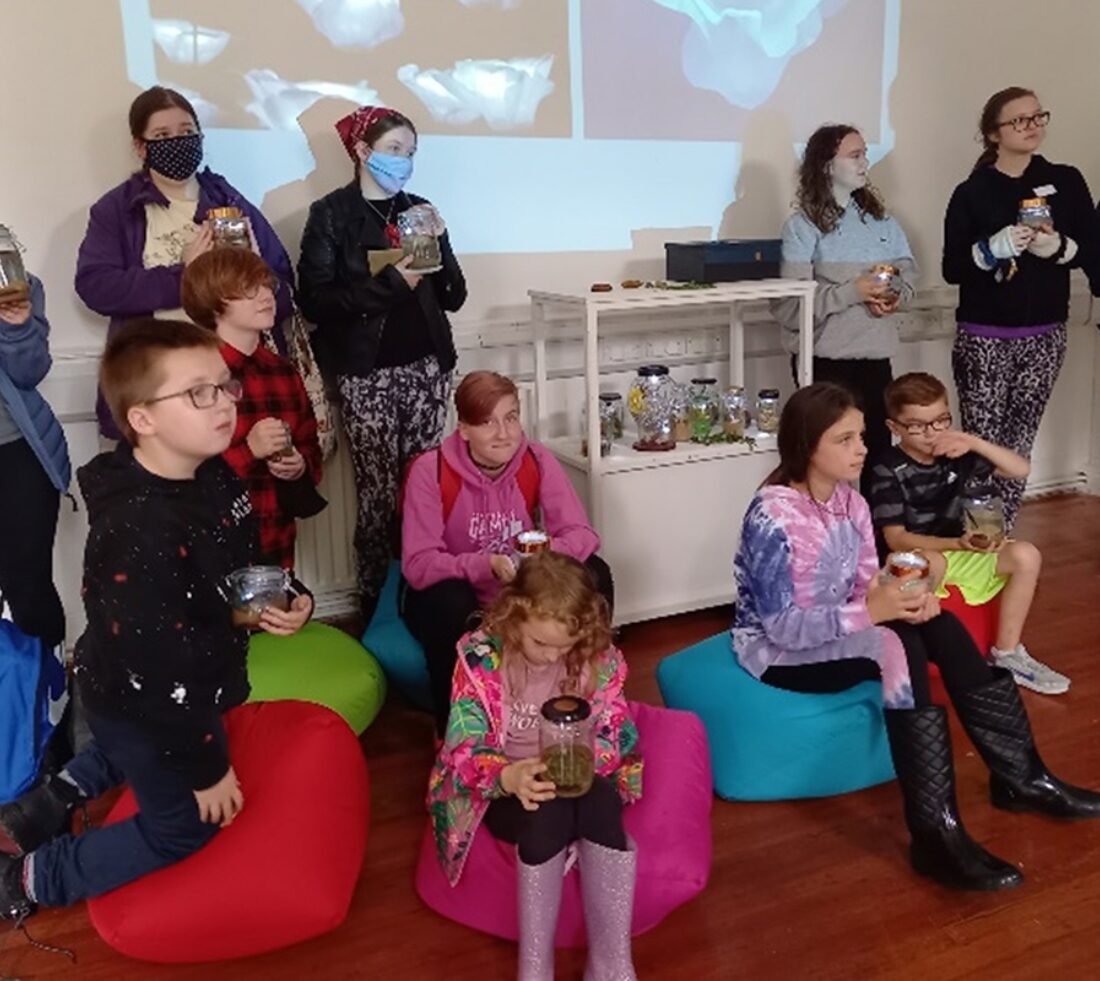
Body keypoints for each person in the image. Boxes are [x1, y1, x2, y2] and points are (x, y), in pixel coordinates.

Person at [0, 320, 312, 927]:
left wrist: (287, 591)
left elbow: (244, 560)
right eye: (199, 393)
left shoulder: (215, 473)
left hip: (184, 679)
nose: (224, 404)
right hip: (140, 694)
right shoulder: (137, 531)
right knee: (185, 824)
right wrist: (209, 771)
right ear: (142, 419)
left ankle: (47, 800)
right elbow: (160, 679)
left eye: (224, 387)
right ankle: (33, 876)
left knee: (132, 749)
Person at [731, 382, 1100, 892]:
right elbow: (781, 626)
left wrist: (908, 596)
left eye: (861, 436)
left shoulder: (851, 505)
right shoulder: (771, 515)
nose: (861, 449)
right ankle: (934, 834)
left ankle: (1021, 778)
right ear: (805, 445)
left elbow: (867, 583)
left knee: (939, 622)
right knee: (896, 645)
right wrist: (874, 612)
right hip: (779, 650)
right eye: (845, 440)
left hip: (841, 624)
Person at [428, 551, 642, 980]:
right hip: (502, 783)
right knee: (548, 812)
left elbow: (617, 731)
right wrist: (507, 775)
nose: (550, 656)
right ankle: (535, 966)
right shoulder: (482, 661)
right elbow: (462, 746)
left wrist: (588, 759)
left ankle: (611, 962)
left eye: (564, 646)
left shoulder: (598, 661)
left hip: (575, 772)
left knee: (600, 803)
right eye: (540, 643)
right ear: (513, 618)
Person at [298, 105, 466, 622]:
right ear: (363, 151)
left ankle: (424, 590)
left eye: (411, 152)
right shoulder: (332, 214)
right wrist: (392, 285)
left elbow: (454, 296)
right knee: (377, 493)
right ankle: (375, 602)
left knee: (424, 488)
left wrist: (439, 243)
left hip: (426, 369)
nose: (404, 162)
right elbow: (316, 302)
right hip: (365, 372)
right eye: (394, 150)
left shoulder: (419, 208)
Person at [75, 85, 295, 441]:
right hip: (156, 383)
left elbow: (285, 292)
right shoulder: (116, 209)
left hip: (236, 385)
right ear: (140, 146)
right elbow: (96, 286)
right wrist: (185, 276)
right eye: (162, 135)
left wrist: (252, 274)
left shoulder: (231, 201)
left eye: (186, 132)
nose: (177, 142)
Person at [401, 370, 613, 736]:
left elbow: (583, 534)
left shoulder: (536, 459)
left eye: (511, 418)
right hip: (461, 592)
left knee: (596, 573)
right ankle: (453, 728)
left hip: (521, 589)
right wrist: (486, 565)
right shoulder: (430, 469)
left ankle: (585, 699)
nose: (504, 433)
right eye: (487, 423)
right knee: (448, 601)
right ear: (463, 429)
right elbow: (418, 564)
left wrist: (541, 559)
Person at [943, 86, 1099, 530]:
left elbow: (1090, 250)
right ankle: (974, 539)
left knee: (1018, 444)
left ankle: (1001, 533)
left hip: (1046, 335)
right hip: (984, 336)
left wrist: (1060, 247)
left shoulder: (1065, 181)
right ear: (994, 133)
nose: (1032, 127)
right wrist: (990, 249)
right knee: (981, 444)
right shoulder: (973, 192)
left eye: (1038, 117)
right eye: (1020, 120)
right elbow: (953, 267)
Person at [868, 372, 1065, 695]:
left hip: (965, 551)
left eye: (941, 421)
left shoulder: (960, 454)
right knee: (930, 563)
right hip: (920, 556)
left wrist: (973, 441)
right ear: (894, 428)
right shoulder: (887, 467)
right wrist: (955, 544)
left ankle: (1007, 653)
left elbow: (1020, 469)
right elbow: (897, 539)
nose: (932, 434)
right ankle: (907, 655)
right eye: (917, 426)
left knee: (1026, 554)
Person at [773, 123, 917, 486]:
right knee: (826, 461)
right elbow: (790, 307)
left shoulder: (884, 222)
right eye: (855, 155)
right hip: (825, 363)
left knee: (878, 459)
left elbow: (910, 284)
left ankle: (875, 541)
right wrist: (852, 292)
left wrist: (893, 297)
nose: (865, 162)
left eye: (865, 153)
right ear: (826, 165)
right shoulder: (802, 226)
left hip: (875, 361)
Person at [182, 248, 323, 569]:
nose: (265, 297)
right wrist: (249, 451)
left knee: (279, 618)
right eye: (248, 290)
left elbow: (310, 446)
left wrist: (300, 466)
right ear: (213, 301)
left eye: (265, 285)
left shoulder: (283, 371)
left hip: (277, 536)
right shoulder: (193, 375)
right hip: (212, 544)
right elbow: (183, 476)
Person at [0, 270, 69, 661]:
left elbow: (29, 373)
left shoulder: (13, 281)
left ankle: (48, 701)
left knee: (28, 588)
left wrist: (16, 329)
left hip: (15, 453)